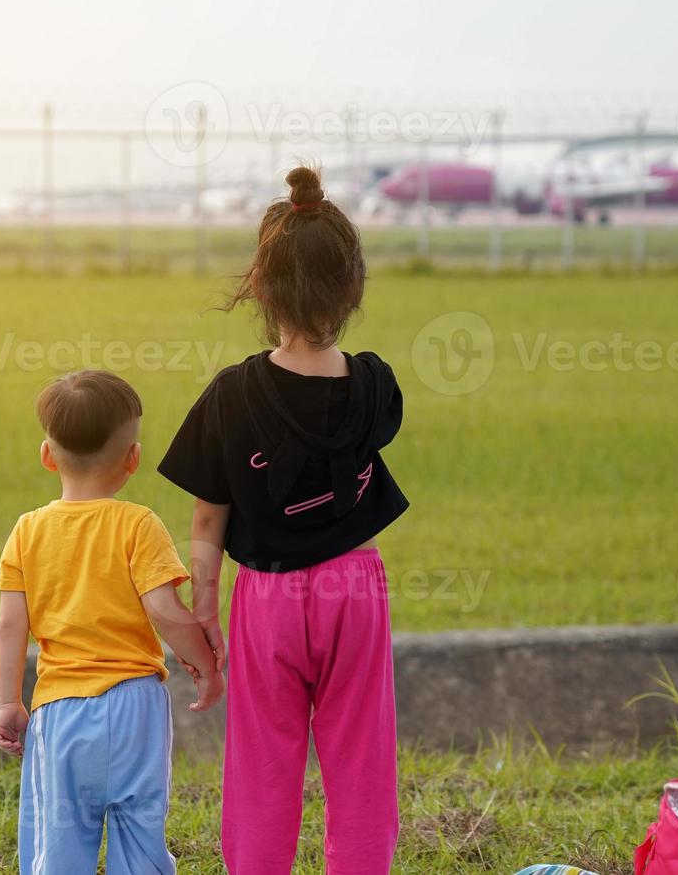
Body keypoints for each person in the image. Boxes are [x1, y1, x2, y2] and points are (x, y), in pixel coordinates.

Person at [159, 166, 409, 873]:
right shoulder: (374, 384)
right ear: (351, 284)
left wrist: (205, 608)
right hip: (355, 591)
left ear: (260, 285)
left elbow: (207, 521)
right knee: (361, 763)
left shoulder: (233, 393)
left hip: (266, 597)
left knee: (263, 765)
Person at [0, 369, 223, 875]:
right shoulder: (138, 524)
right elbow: (164, 610)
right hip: (135, 703)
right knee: (139, 829)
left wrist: (9, 700)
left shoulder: (27, 531)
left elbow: (11, 626)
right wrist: (203, 664)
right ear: (133, 459)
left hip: (60, 712)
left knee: (59, 838)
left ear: (47, 456)